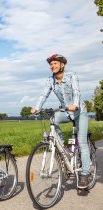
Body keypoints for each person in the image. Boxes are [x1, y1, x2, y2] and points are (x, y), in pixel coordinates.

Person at [31, 54, 91, 189]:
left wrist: (75, 104)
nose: (53, 66)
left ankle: (85, 174)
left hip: (79, 112)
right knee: (54, 118)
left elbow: (76, 91)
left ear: (62, 65)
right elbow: (44, 94)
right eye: (51, 64)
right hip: (66, 112)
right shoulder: (50, 80)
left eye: (55, 64)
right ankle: (62, 148)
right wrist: (36, 108)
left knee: (81, 142)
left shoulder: (71, 75)